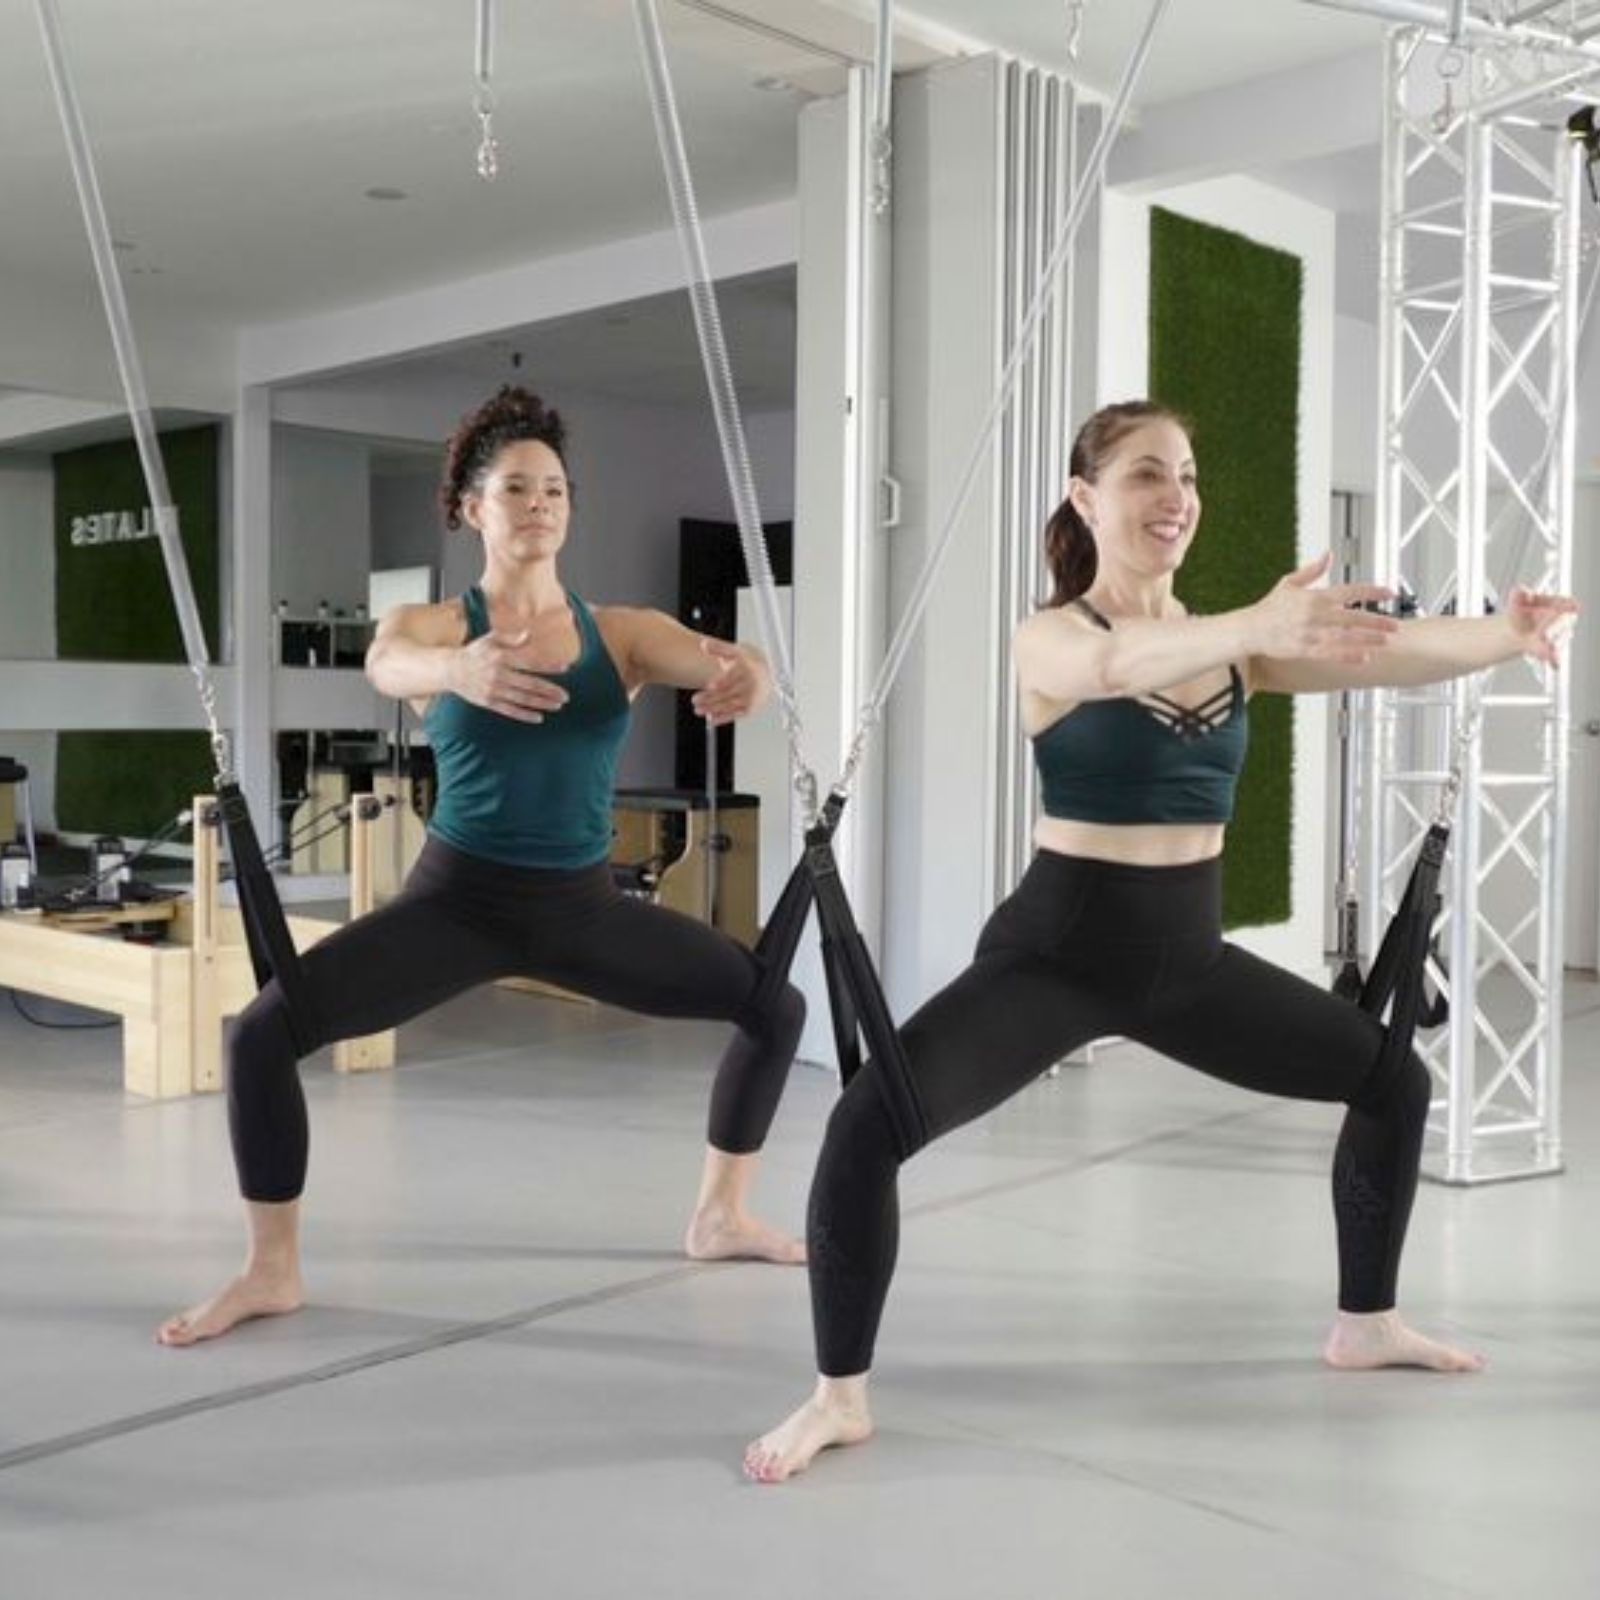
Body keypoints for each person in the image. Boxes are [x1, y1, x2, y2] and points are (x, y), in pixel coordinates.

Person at [744, 399, 1578, 1482]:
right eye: (1146, 474)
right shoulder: (1053, 637)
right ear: (1086, 499)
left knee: (1391, 1082)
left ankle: (1364, 1321)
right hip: (1053, 957)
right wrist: (1251, 624)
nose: (1174, 497)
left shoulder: (1242, 654)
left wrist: (1507, 636)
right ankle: (836, 1397)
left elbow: (1389, 650)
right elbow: (1114, 667)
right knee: (866, 1126)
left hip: (1185, 963)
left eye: (1185, 475)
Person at [159, 386, 806, 1346]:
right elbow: (386, 662)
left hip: (584, 909)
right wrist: (453, 672)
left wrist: (749, 664)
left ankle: (720, 1217)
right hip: (456, 905)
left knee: (774, 1006)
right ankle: (271, 1270)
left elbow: (712, 654)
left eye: (553, 489)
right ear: (473, 508)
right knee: (262, 1036)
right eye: (515, 488)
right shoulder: (436, 626)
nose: (538, 503)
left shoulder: (619, 633)